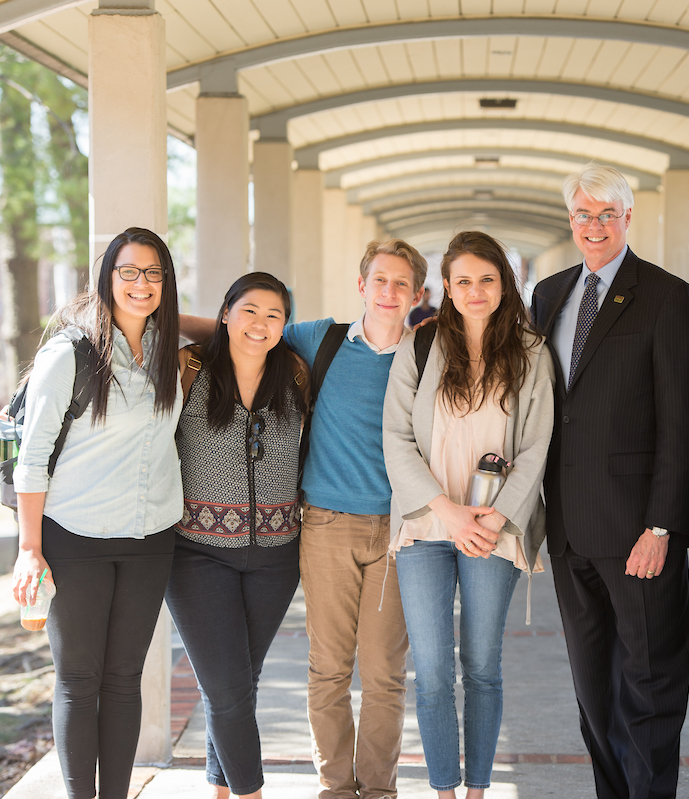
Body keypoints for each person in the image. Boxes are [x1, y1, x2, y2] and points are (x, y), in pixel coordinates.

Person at [182, 239, 428, 799]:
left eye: (401, 284)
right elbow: (246, 331)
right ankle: (335, 788)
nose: (389, 292)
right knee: (329, 670)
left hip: (400, 531)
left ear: (418, 294)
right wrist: (147, 308)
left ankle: (379, 790)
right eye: (379, 280)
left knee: (385, 675)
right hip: (325, 527)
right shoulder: (322, 339)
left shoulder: (429, 355)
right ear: (361, 284)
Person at [529, 164, 689, 799]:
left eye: (607, 214)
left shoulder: (662, 294)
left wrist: (663, 524)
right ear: (570, 221)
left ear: (628, 219)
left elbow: (680, 422)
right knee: (593, 689)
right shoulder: (547, 295)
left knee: (650, 685)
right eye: (583, 214)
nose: (595, 226)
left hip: (637, 530)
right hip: (570, 530)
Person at [11, 227, 183, 799]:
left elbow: (225, 324)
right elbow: (31, 461)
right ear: (105, 277)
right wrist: (28, 550)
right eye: (128, 272)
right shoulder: (68, 353)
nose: (141, 284)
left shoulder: (168, 349)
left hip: (150, 534)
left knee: (124, 680)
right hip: (74, 536)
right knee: (80, 681)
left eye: (153, 273)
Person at [382, 231, 554, 798]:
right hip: (427, 525)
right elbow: (396, 438)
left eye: (487, 279)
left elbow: (536, 446)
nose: (475, 291)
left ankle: (478, 789)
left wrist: (495, 517)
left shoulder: (530, 353)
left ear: (504, 285)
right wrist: (447, 513)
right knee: (431, 672)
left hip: (493, 531)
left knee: (481, 666)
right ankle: (444, 790)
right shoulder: (420, 346)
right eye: (463, 281)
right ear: (447, 289)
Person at [166, 272, 308, 799]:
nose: (260, 324)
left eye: (274, 315)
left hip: (276, 556)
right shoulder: (188, 368)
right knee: (225, 687)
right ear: (224, 312)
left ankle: (221, 791)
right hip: (196, 555)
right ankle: (252, 793)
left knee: (238, 684)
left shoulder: (295, 372)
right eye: (248, 310)